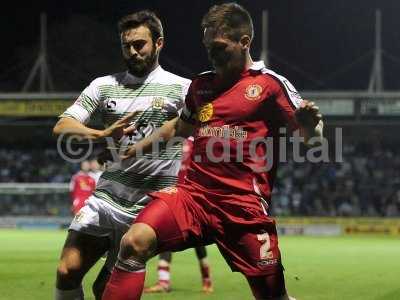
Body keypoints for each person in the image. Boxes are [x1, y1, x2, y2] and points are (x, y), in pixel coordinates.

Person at [102, 3, 323, 300]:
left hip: (241, 207)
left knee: (273, 297)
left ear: (244, 42)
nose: (211, 54)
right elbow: (179, 128)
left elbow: (312, 140)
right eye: (208, 47)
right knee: (134, 243)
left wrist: (311, 127)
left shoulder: (269, 86)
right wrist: (132, 150)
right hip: (193, 197)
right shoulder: (201, 86)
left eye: (218, 46)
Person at [53, 10, 191, 300]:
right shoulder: (104, 86)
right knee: (67, 271)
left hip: (149, 208)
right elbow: (63, 125)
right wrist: (101, 134)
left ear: (159, 43)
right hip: (106, 198)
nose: (132, 51)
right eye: (126, 45)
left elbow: (209, 129)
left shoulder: (183, 89)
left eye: (139, 44)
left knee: (105, 289)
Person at [144, 139, 213, 294]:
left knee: (198, 241)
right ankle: (164, 281)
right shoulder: (172, 140)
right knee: (164, 233)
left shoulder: (197, 141)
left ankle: (207, 279)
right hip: (172, 193)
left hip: (191, 194)